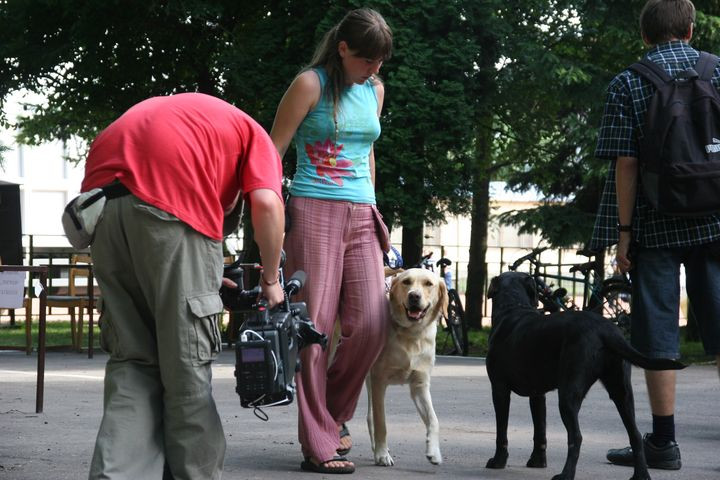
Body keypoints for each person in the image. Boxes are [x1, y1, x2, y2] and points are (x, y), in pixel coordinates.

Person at [82, 92, 285, 480]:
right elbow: (268, 205)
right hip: (169, 204)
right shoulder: (257, 137)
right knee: (185, 366)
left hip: (101, 211)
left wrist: (206, 276)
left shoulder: (197, 119)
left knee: (132, 361)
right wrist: (271, 279)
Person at [590, 0, 720, 471]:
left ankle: (663, 444)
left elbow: (625, 164)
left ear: (645, 35)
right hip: (716, 223)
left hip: (654, 222)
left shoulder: (629, 82)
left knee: (658, 335)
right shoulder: (719, 71)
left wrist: (623, 233)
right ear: (689, 29)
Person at [269, 7, 392, 475]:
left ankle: (331, 416)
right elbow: (272, 150)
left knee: (373, 324)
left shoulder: (375, 89)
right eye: (367, 60)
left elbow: (368, 151)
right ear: (343, 49)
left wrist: (374, 208)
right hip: (313, 209)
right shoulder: (310, 85)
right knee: (314, 329)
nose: (375, 69)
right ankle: (318, 443)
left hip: (362, 212)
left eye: (380, 61)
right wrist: (271, 220)